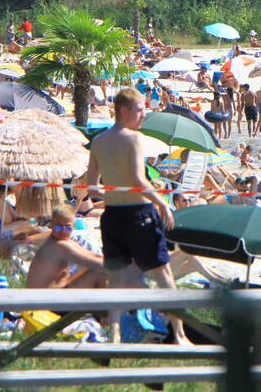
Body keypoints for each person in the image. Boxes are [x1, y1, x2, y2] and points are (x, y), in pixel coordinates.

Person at [79, 89, 189, 344]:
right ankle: (180, 334)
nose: (144, 115)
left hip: (113, 215)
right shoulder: (134, 139)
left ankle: (115, 334)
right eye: (140, 110)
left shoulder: (99, 141)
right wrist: (163, 202)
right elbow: (139, 179)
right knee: (163, 274)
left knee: (117, 277)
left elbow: (92, 185)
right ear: (124, 111)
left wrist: (115, 186)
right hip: (139, 213)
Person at [26, 204, 108, 289]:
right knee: (100, 271)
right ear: (52, 225)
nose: (63, 232)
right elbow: (99, 264)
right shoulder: (58, 245)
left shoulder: (66, 242)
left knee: (97, 268)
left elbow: (95, 256)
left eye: (68, 228)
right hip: (47, 298)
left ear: (73, 227)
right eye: (58, 227)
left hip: (57, 291)